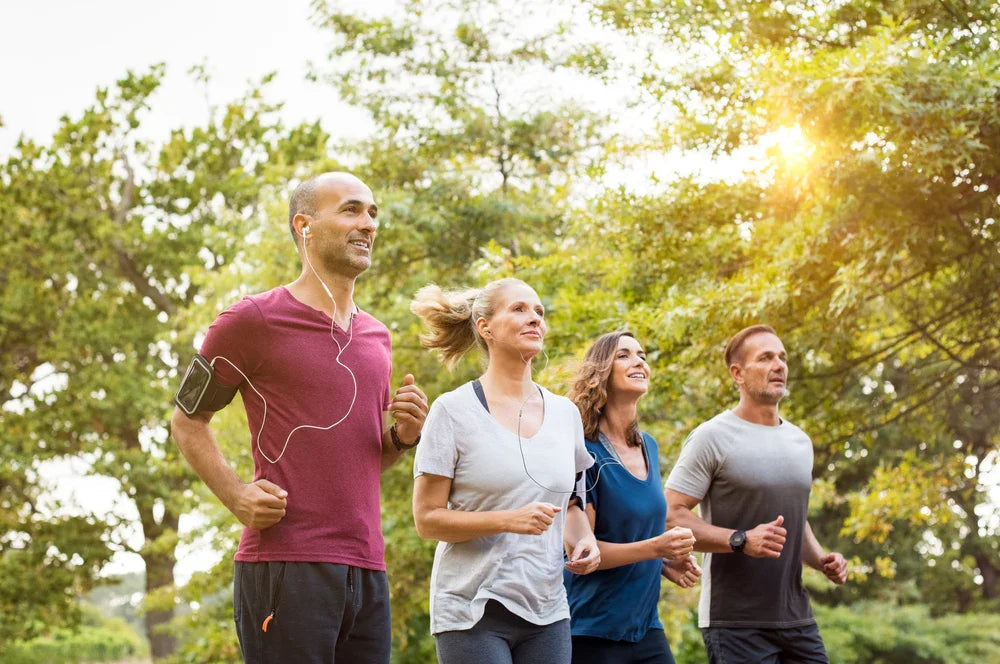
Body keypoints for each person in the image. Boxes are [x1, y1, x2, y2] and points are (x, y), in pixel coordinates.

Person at [170, 172, 429, 664]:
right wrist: (237, 496)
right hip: (284, 565)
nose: (368, 223)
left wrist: (402, 436)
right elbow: (187, 420)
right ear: (304, 225)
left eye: (372, 213)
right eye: (351, 210)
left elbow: (366, 459)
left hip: (367, 568)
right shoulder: (251, 320)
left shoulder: (377, 336)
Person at [409, 278, 601, 664]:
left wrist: (585, 541)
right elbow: (427, 520)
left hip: (547, 609)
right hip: (471, 608)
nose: (535, 318)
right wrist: (507, 520)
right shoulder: (452, 411)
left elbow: (571, 506)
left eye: (539, 312)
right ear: (485, 328)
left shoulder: (565, 414)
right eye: (519, 309)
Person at [664, 324, 848, 663]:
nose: (778, 365)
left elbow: (794, 519)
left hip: (797, 617)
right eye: (765, 358)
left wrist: (822, 560)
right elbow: (671, 515)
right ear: (738, 373)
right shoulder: (711, 437)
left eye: (782, 358)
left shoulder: (800, 442)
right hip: (735, 623)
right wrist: (740, 539)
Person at [564, 331, 701, 664]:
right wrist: (657, 549)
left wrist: (663, 562)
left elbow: (635, 531)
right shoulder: (584, 450)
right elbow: (582, 553)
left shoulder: (648, 446)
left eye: (641, 355)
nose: (639, 361)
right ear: (600, 372)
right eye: (623, 355)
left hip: (645, 626)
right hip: (591, 630)